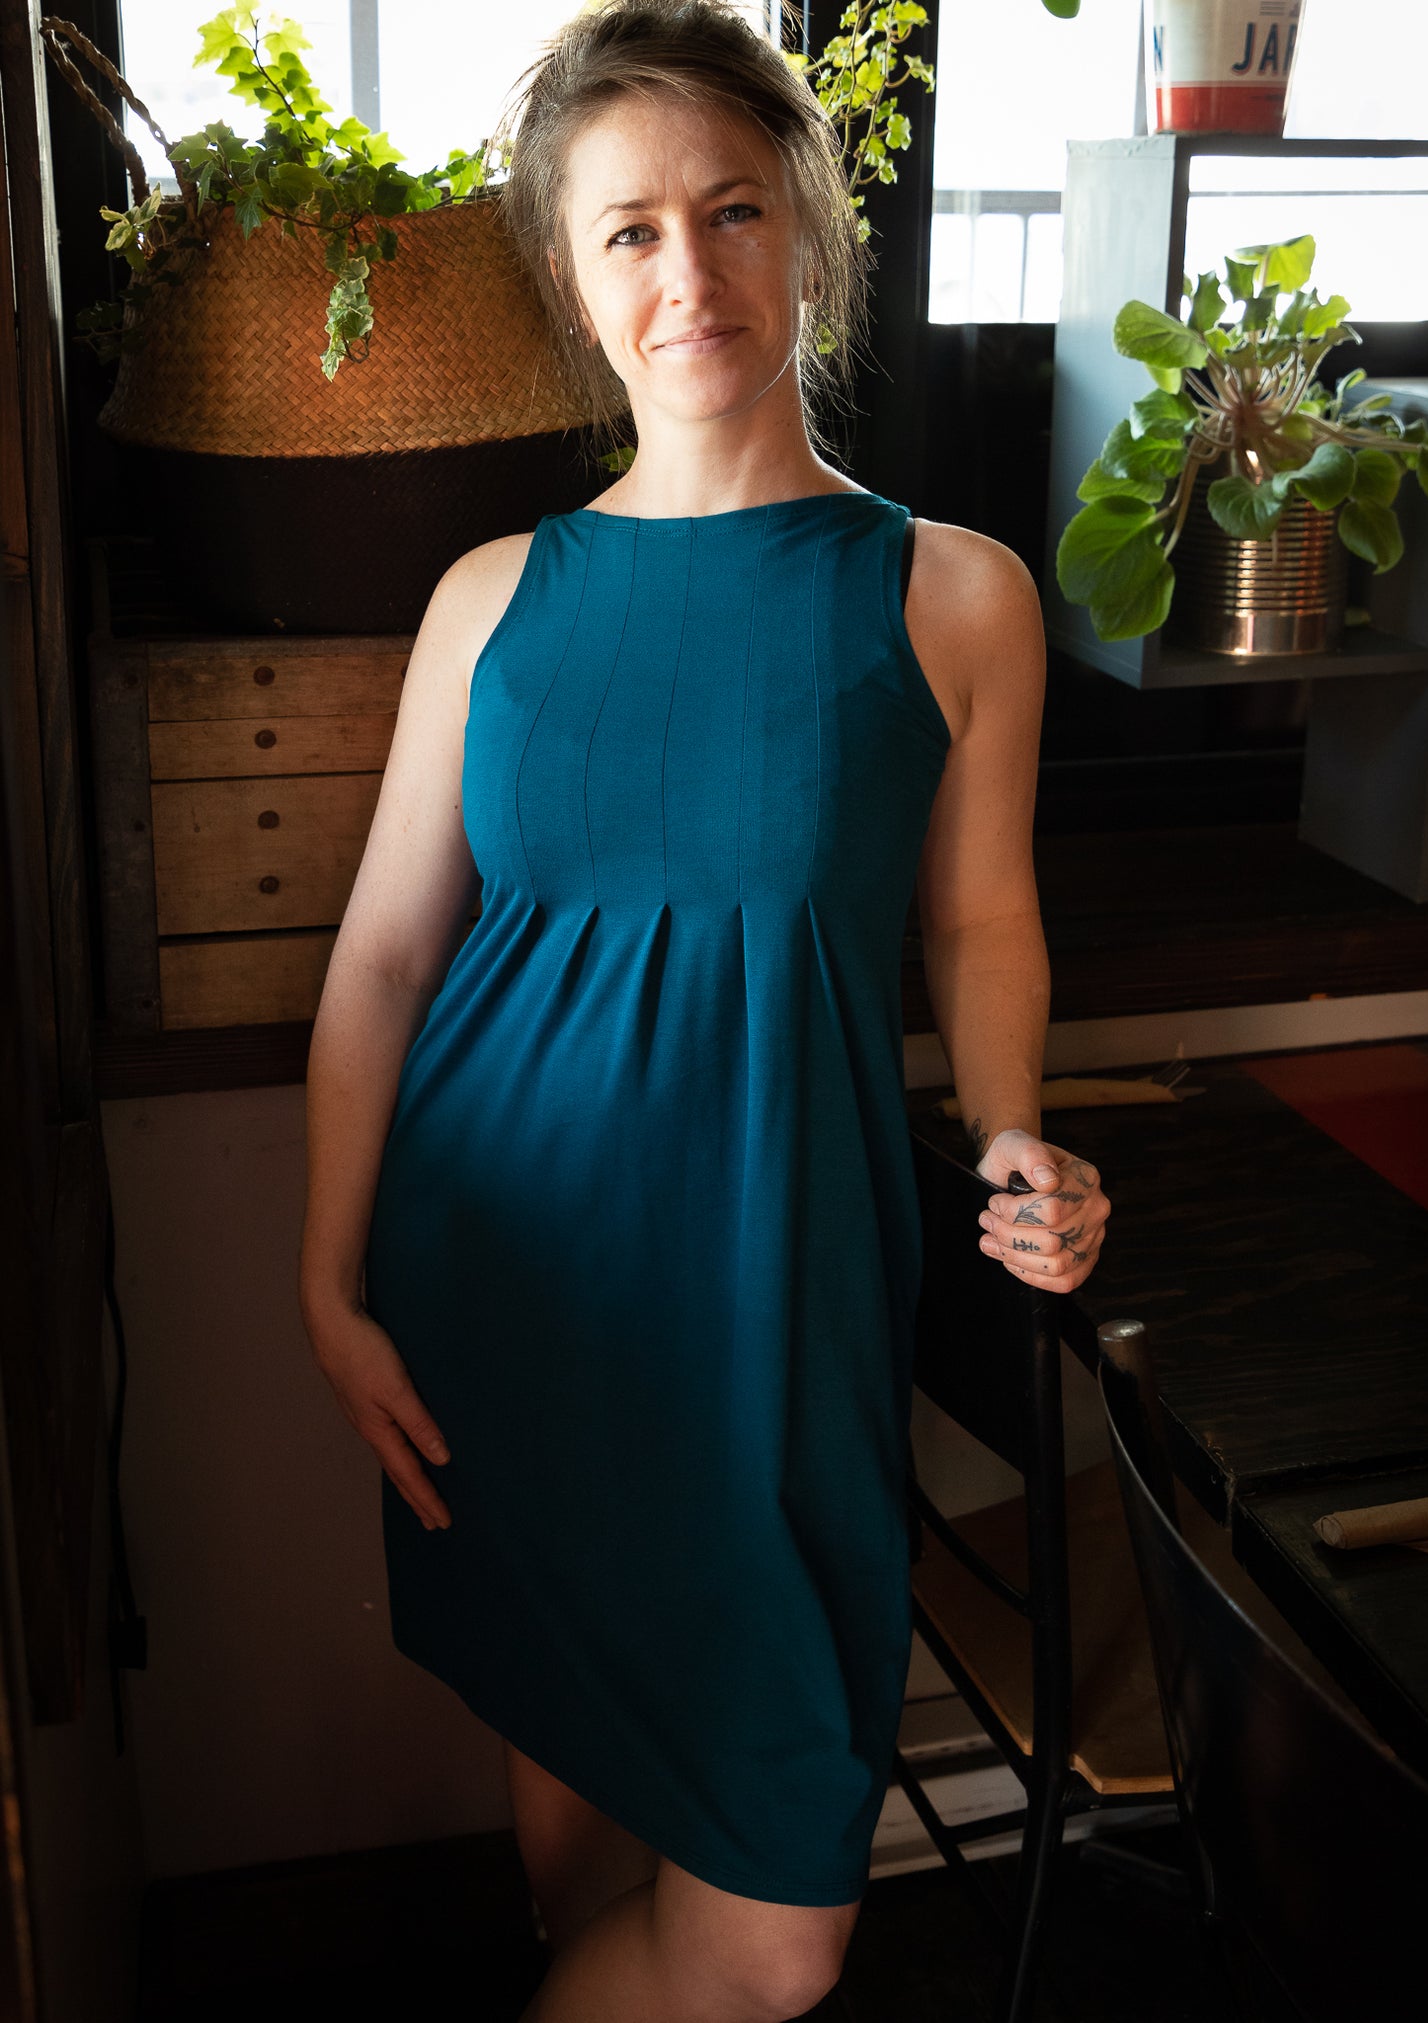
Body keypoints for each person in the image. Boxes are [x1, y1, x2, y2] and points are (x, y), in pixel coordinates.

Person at [298, 3, 1110, 2018]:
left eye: (732, 210)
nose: (689, 271)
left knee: (768, 1943)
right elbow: (384, 958)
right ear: (572, 279)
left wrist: (1012, 1127)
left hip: (778, 1307)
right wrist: (325, 1283)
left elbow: (978, 921)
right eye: (630, 230)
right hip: (504, 1297)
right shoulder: (492, 599)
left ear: (807, 228)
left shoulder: (954, 592)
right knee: (577, 1854)